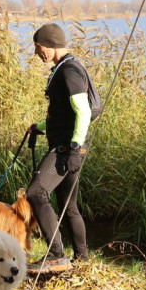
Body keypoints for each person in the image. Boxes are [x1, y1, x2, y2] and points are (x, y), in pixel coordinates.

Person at [25, 23, 91, 274]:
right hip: (69, 145)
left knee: (36, 192)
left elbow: (83, 111)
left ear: (50, 45)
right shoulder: (66, 67)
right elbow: (64, 113)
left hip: (67, 148)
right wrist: (39, 126)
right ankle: (82, 258)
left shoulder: (68, 71)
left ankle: (55, 255)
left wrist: (74, 148)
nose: (36, 53)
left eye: (38, 47)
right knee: (68, 205)